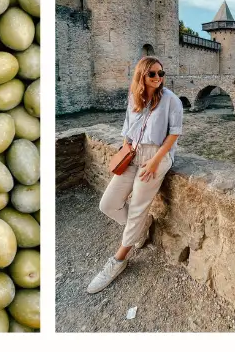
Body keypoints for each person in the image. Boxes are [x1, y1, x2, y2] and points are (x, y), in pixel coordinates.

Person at [88, 56, 183, 294]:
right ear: (142, 75)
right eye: (152, 74)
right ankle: (141, 227)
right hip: (132, 155)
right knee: (108, 204)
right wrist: (125, 151)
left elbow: (174, 134)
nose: (158, 78)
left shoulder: (171, 100)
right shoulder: (133, 98)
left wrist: (154, 162)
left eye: (161, 73)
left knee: (138, 208)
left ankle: (118, 261)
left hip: (156, 158)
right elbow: (127, 131)